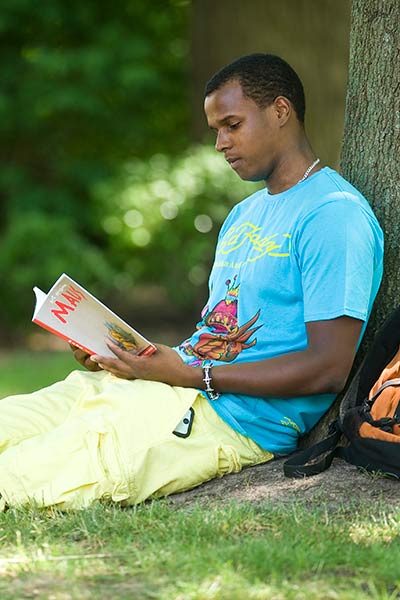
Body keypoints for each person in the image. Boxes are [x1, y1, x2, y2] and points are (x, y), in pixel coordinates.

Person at [0, 53, 384, 510]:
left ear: (280, 112)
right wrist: (123, 355)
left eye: (232, 124)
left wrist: (187, 374)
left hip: (223, 419)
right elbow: (218, 336)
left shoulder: (334, 215)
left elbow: (328, 367)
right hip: (172, 386)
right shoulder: (245, 215)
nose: (221, 143)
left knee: (22, 476)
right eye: (216, 130)